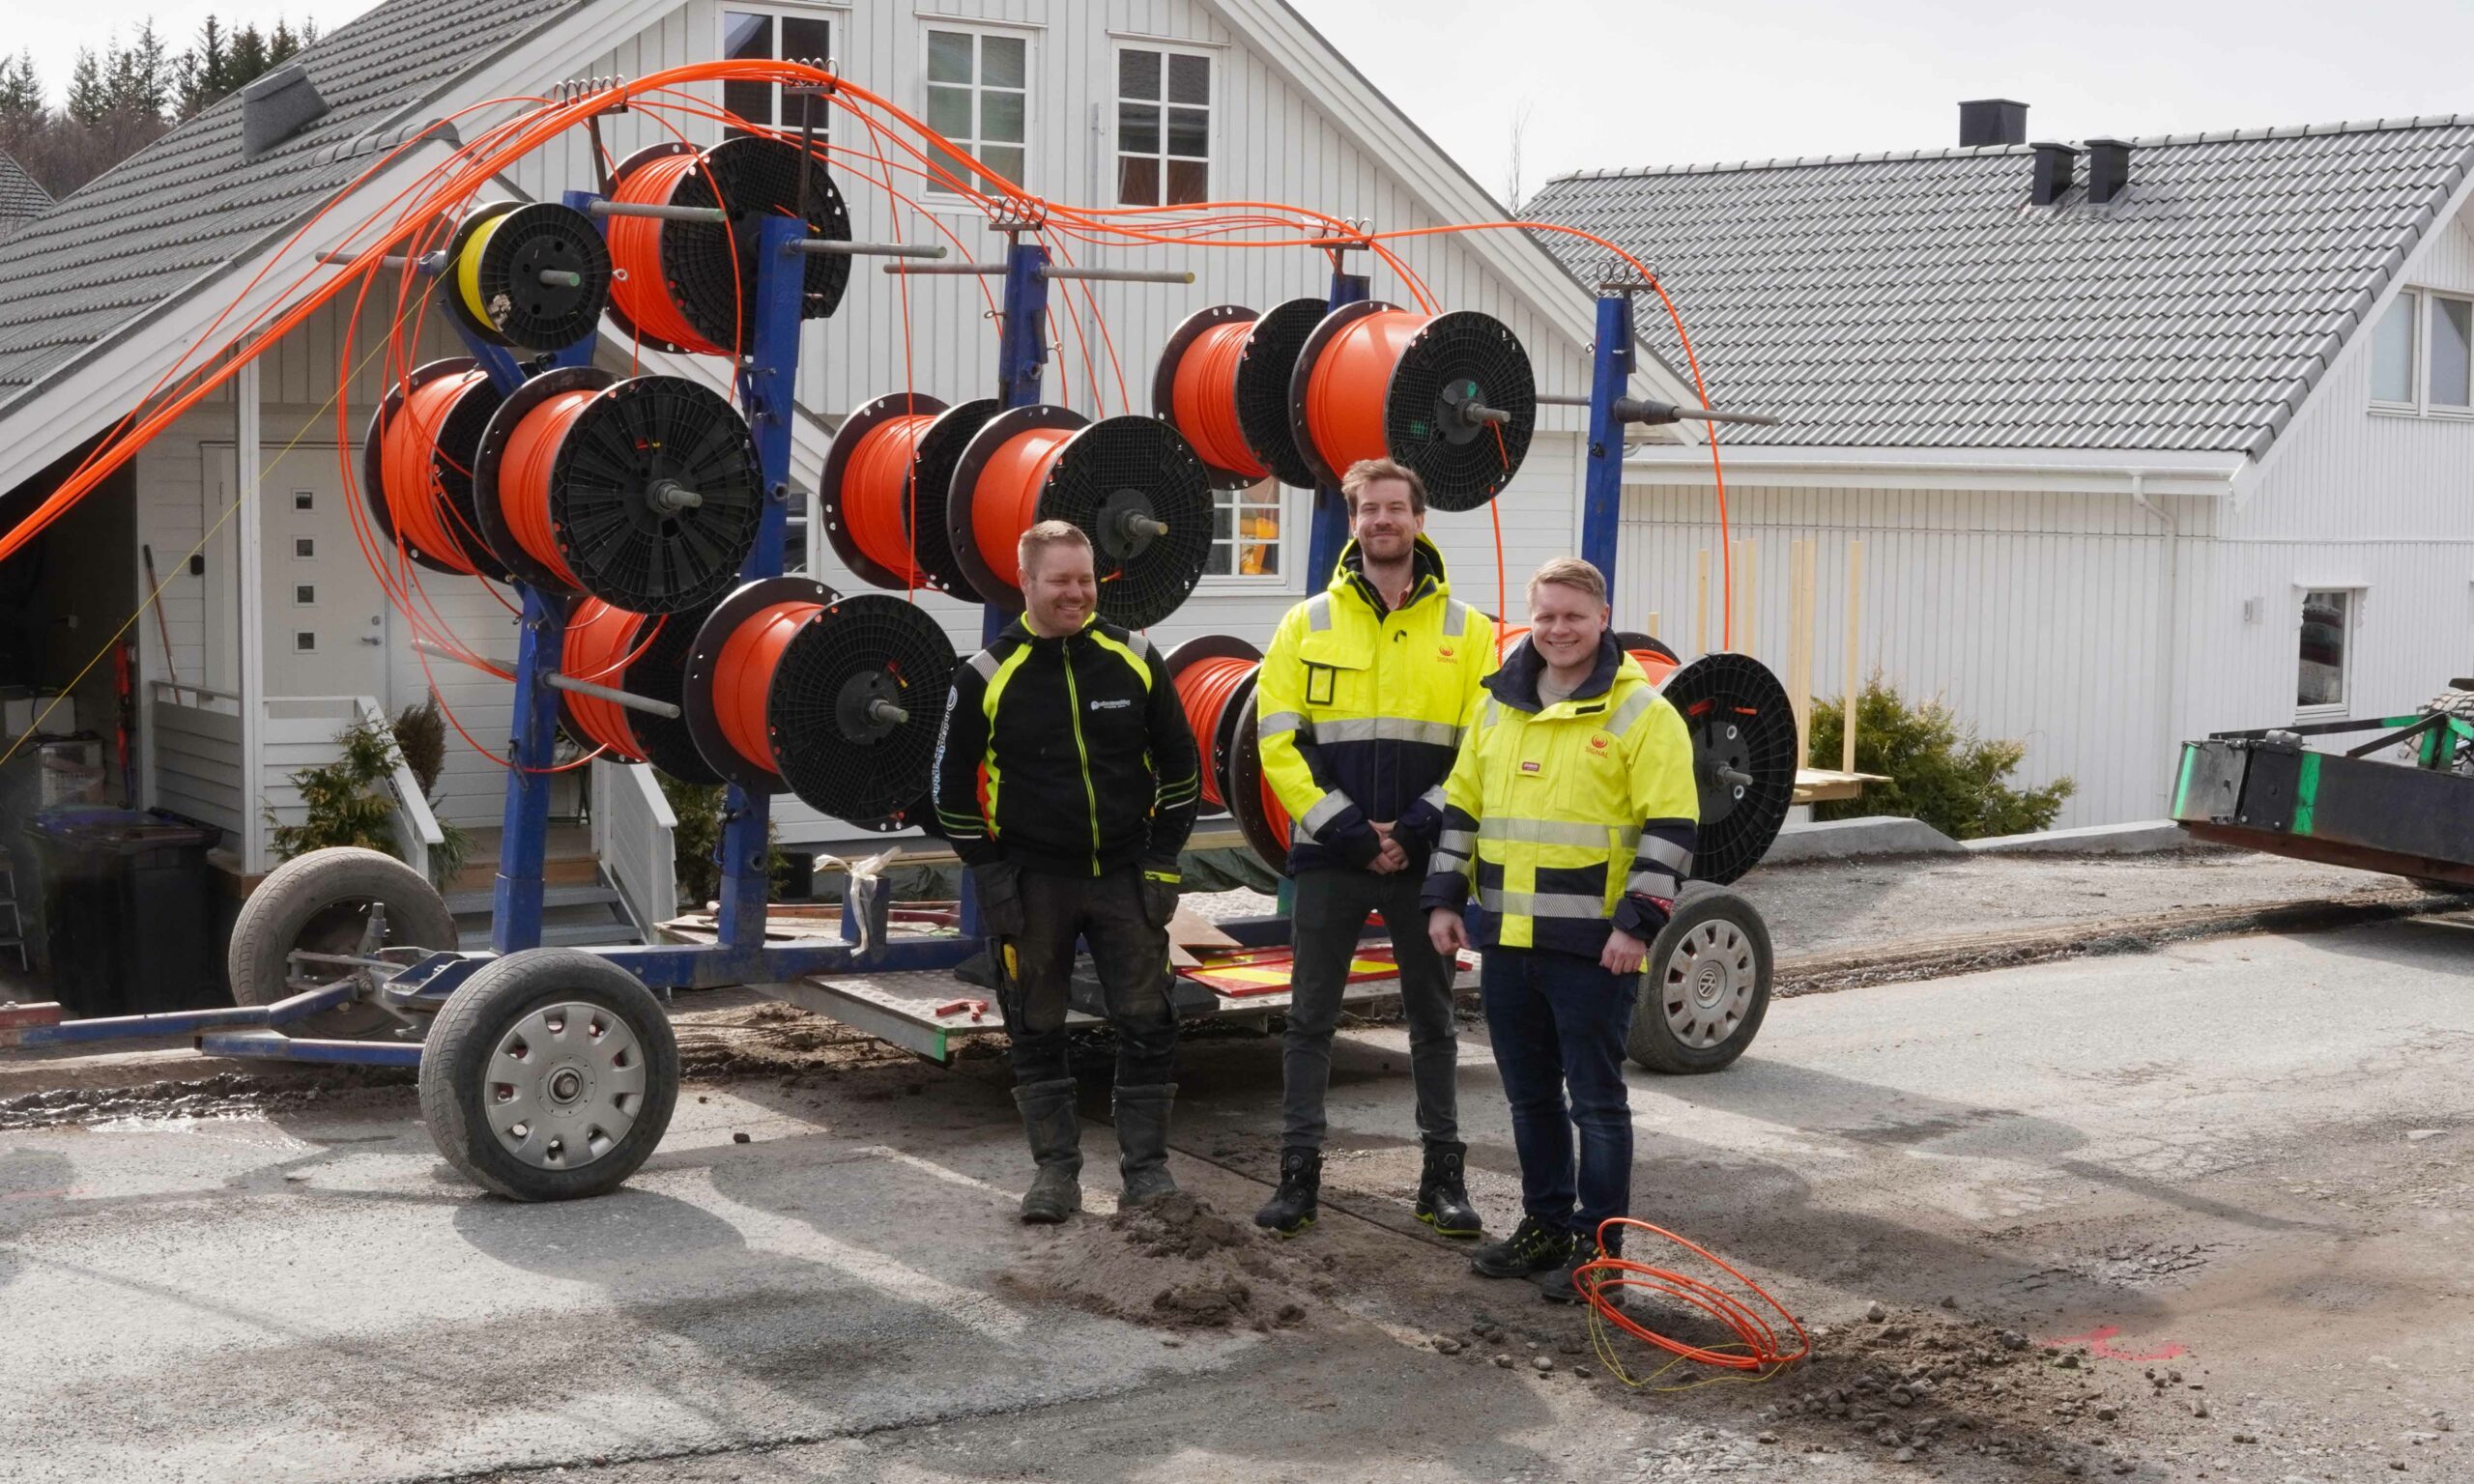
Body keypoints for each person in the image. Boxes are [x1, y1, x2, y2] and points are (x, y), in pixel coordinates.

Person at [1421, 556, 1699, 1302]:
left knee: (1597, 1104)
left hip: (1594, 951)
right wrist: (1444, 901)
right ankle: (1544, 1225)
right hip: (1508, 944)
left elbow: (1670, 830)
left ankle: (1599, 1251)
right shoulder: (1496, 709)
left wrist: (1637, 927)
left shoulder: (1643, 714)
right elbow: (1461, 815)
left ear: (1602, 618)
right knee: (1530, 1098)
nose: (1557, 630)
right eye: (1544, 616)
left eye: (1572, 616)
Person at [1251, 457, 1497, 1238]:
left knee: (1432, 1021)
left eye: (1396, 507)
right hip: (1332, 856)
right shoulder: (1304, 624)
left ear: (1420, 520)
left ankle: (1444, 1182)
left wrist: (1417, 828)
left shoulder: (1470, 632)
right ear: (1354, 521)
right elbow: (1276, 742)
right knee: (1309, 1020)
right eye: (1369, 509)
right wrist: (1352, 832)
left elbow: (1480, 750)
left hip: (1425, 860)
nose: (1382, 520)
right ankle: (1298, 1180)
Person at [933, 520, 1202, 1224]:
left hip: (1125, 875)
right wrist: (988, 873)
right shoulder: (986, 676)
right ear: (1026, 584)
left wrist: (1163, 860)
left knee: (1148, 1021)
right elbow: (949, 792)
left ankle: (1147, 1172)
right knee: (1035, 1025)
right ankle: (1055, 1175)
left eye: (1085, 579)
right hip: (1033, 880)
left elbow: (1182, 769)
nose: (1077, 593)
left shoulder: (1136, 656)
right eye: (1061, 581)